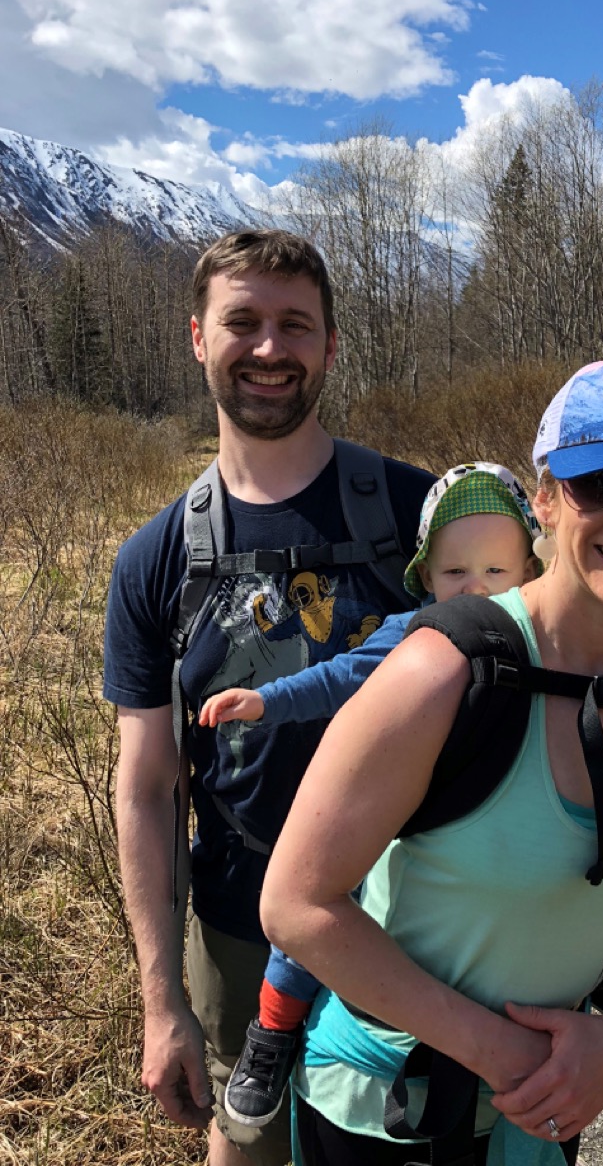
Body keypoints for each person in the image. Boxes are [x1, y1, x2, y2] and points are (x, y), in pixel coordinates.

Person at [261, 358, 603, 1166]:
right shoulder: (443, 671)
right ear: (546, 498)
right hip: (386, 1114)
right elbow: (297, 904)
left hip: (542, 1113)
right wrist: (501, 1053)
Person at [103, 229, 435, 1166]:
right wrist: (161, 1000)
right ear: (198, 339)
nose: (269, 348)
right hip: (240, 931)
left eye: (296, 325)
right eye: (242, 321)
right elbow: (147, 787)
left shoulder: (419, 519)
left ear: (330, 345)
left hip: (416, 923)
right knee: (246, 1145)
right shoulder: (156, 561)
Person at [196, 463, 542, 1130]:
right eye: (454, 574)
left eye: (496, 573)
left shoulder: (547, 646)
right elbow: (337, 677)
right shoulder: (415, 633)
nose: (475, 589)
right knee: (322, 902)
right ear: (425, 579)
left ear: (529, 571)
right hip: (400, 818)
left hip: (493, 824)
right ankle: (272, 1030)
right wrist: (265, 701)